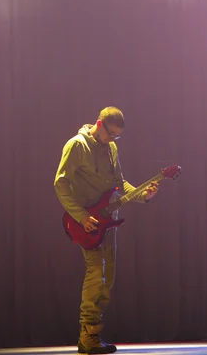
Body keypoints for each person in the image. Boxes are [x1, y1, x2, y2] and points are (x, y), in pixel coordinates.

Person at [54, 106, 159, 354]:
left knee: (107, 278)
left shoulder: (111, 148)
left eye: (117, 137)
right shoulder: (77, 145)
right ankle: (87, 334)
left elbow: (118, 183)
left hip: (108, 219)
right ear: (99, 125)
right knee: (95, 272)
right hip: (86, 221)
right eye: (110, 134)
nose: (112, 140)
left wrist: (143, 195)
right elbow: (61, 183)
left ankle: (92, 335)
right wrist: (80, 216)